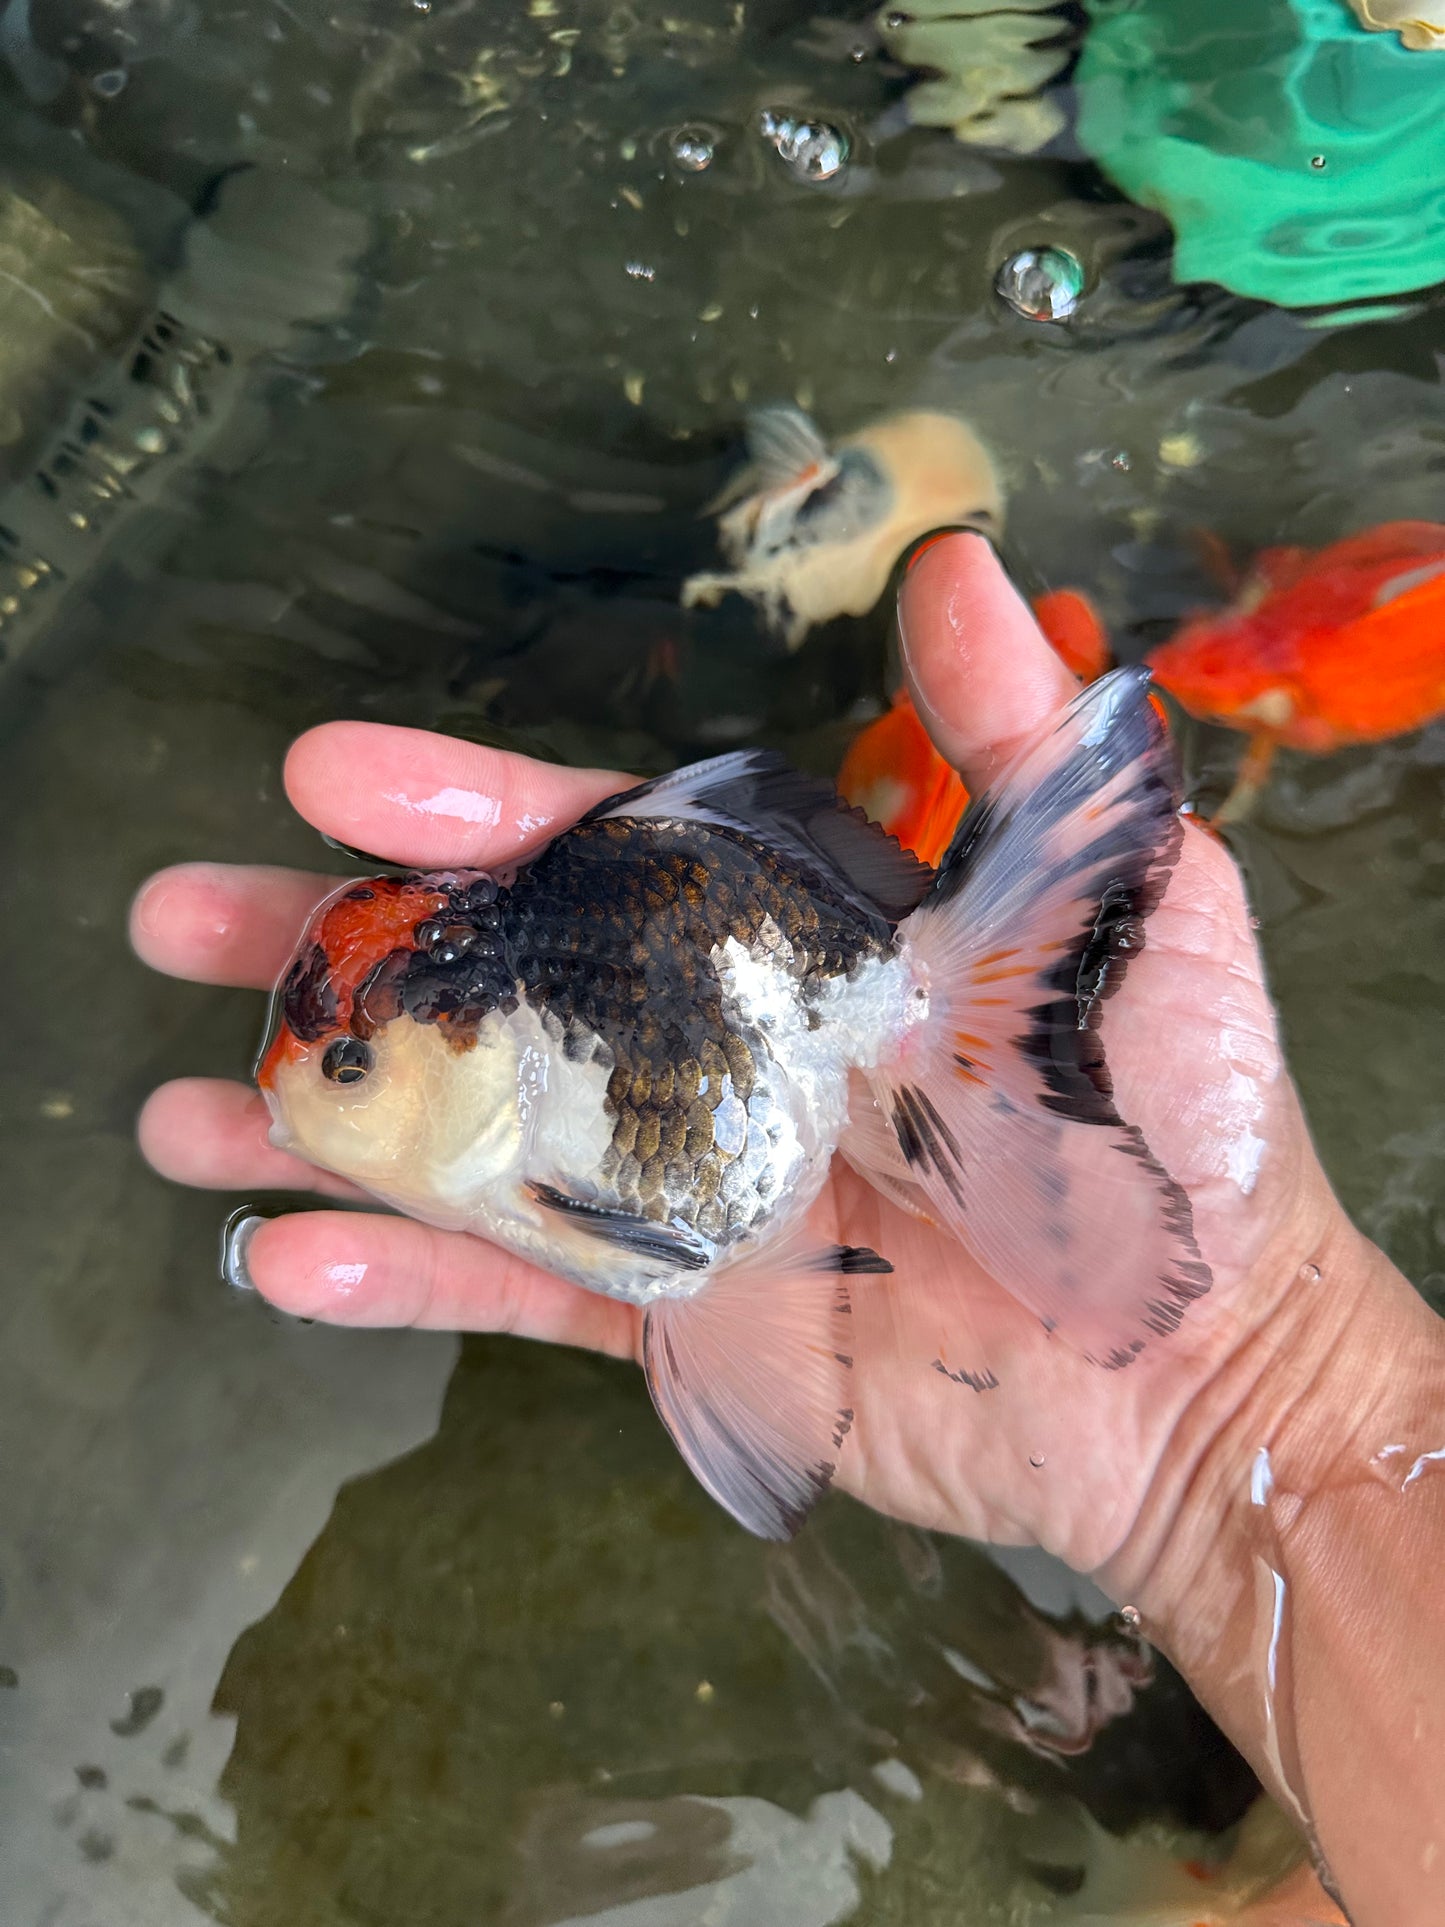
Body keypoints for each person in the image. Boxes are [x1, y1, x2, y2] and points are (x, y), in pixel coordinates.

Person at [131, 533, 1445, 1926]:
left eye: (348, 1071)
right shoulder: (525, 1127)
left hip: (791, 1021)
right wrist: (1254, 1410)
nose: (315, 1098)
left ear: (465, 1047)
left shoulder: (585, 1112)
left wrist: (1253, 1393)